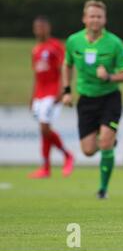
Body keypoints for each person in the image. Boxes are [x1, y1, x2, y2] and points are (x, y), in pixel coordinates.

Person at [62, 0, 123, 199]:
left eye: (99, 16)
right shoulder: (73, 41)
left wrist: (109, 76)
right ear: (84, 18)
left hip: (110, 98)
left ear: (104, 20)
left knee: (105, 143)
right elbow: (66, 65)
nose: (95, 20)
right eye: (91, 16)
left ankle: (103, 190)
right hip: (86, 99)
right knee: (88, 150)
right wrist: (66, 91)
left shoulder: (115, 43)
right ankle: (109, 140)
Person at [28, 16, 74, 179]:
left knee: (44, 127)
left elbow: (65, 68)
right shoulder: (36, 50)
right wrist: (32, 97)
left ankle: (67, 156)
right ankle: (46, 168)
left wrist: (61, 91)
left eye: (42, 27)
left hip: (52, 92)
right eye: (36, 27)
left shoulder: (55, 46)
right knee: (44, 131)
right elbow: (37, 76)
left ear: (48, 28)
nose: (39, 30)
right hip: (39, 95)